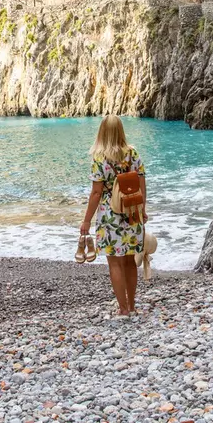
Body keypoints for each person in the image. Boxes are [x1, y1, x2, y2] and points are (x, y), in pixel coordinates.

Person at [78, 115, 147, 317]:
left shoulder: (100, 159)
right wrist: (142, 210)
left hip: (111, 215)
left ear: (102, 132)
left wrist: (86, 220)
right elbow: (142, 184)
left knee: (115, 263)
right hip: (132, 211)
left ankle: (123, 309)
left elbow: (96, 193)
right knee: (129, 261)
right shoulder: (133, 154)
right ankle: (132, 306)